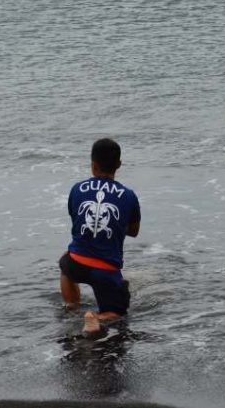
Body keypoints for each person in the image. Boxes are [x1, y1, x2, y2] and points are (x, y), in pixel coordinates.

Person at [59, 138, 141, 336]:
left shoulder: (77, 189)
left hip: (77, 262)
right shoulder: (129, 195)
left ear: (93, 164)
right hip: (105, 269)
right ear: (118, 165)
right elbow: (133, 231)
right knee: (118, 313)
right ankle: (97, 319)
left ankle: (72, 306)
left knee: (65, 263)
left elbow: (77, 221)